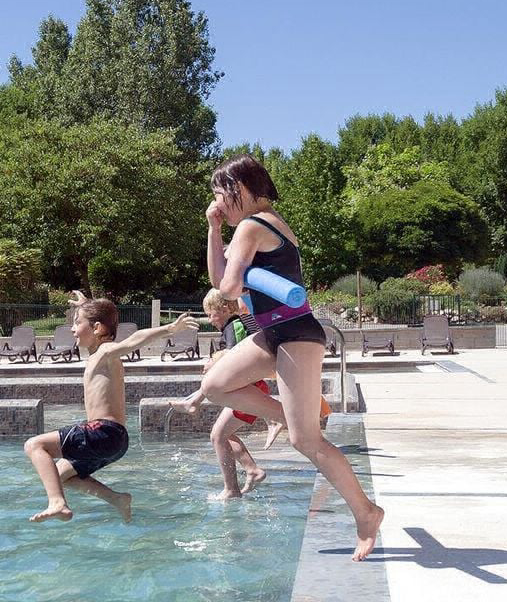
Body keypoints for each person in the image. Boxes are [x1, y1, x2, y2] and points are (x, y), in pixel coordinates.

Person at [199, 153, 383, 561]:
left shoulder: (252, 225)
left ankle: (366, 513)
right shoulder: (256, 223)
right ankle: (288, 415)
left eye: (219, 195)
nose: (217, 204)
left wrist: (232, 266)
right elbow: (219, 282)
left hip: (296, 333)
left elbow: (228, 288)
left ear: (239, 189)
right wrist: (213, 229)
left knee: (306, 441)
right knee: (214, 384)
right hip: (273, 332)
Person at [23, 292, 198, 523]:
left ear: (96, 328)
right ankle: (116, 498)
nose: (72, 329)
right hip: (115, 441)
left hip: (103, 432)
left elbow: (134, 339)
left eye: (77, 323)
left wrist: (170, 329)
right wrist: (86, 306)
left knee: (35, 445)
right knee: (59, 475)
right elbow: (99, 318)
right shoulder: (99, 354)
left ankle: (57, 502)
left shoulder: (105, 352)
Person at [168, 290, 267, 498]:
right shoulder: (233, 326)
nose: (210, 320)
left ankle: (231, 489)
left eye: (210, 314)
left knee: (218, 436)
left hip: (249, 388)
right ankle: (252, 470)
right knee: (222, 434)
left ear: (224, 309)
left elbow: (234, 356)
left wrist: (215, 362)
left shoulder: (234, 325)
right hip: (246, 387)